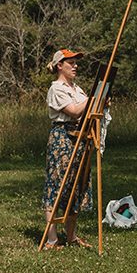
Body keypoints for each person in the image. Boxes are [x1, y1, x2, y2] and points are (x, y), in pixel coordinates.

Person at [41, 48, 93, 250]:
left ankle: (71, 236)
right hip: (62, 139)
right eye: (71, 62)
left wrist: (100, 102)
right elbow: (73, 111)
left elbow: (87, 112)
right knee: (57, 185)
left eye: (76, 62)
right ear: (60, 65)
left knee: (75, 186)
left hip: (80, 138)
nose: (75, 66)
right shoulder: (56, 88)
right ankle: (51, 240)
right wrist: (94, 98)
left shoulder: (77, 89)